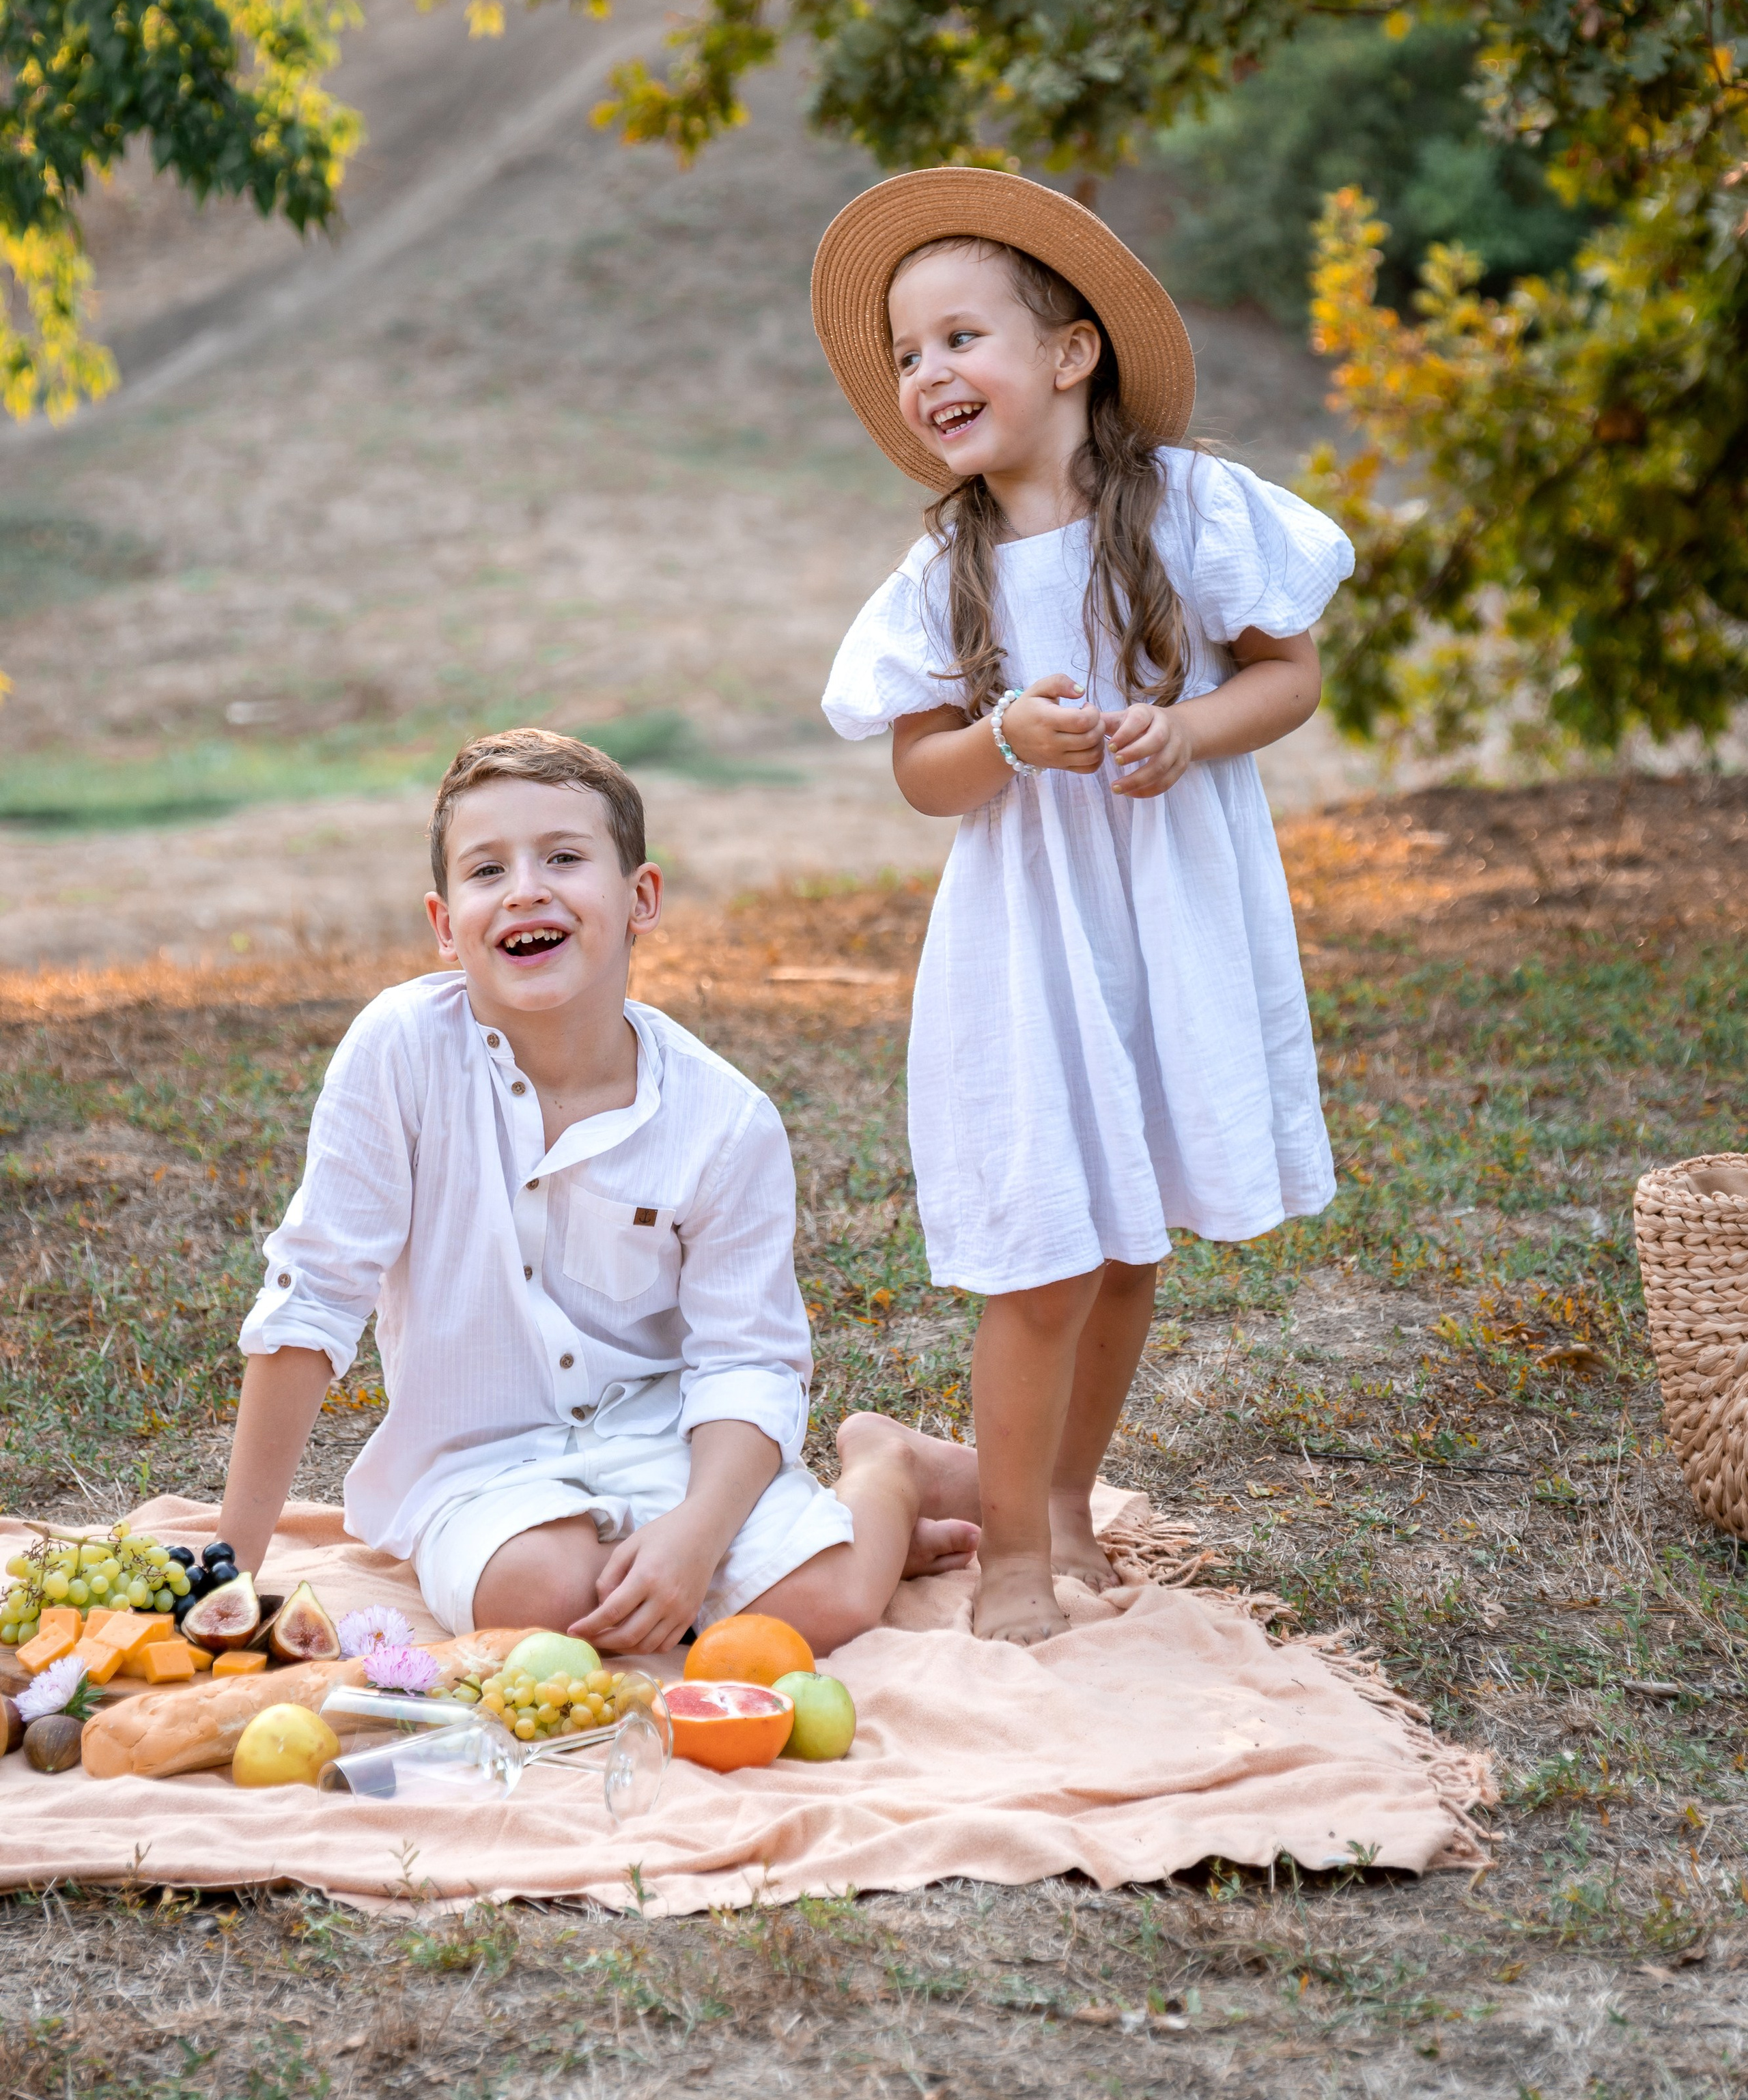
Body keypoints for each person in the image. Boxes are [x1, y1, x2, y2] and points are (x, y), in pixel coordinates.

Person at [814, 169, 1354, 1648]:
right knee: (1044, 1237)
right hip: (1028, 938)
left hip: (1168, 916)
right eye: (907, 354)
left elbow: (1286, 670)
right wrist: (997, 741)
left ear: (1068, 354)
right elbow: (920, 770)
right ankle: (1000, 1558)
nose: (928, 374)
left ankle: (1060, 1501)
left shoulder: (1191, 508)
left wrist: (1188, 731)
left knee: (1129, 1241)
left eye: (959, 337)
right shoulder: (947, 574)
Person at [215, 728, 978, 1653]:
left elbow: (748, 1362)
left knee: (828, 1606)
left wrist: (697, 1534)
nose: (525, 889)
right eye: (486, 870)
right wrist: (230, 1566)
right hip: (478, 1463)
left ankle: (885, 1468)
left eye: (565, 858)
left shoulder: (725, 1121)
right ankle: (782, 1527)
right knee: (543, 1594)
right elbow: (316, 1294)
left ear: (639, 898)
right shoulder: (399, 1053)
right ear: (442, 924)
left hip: (667, 1441)